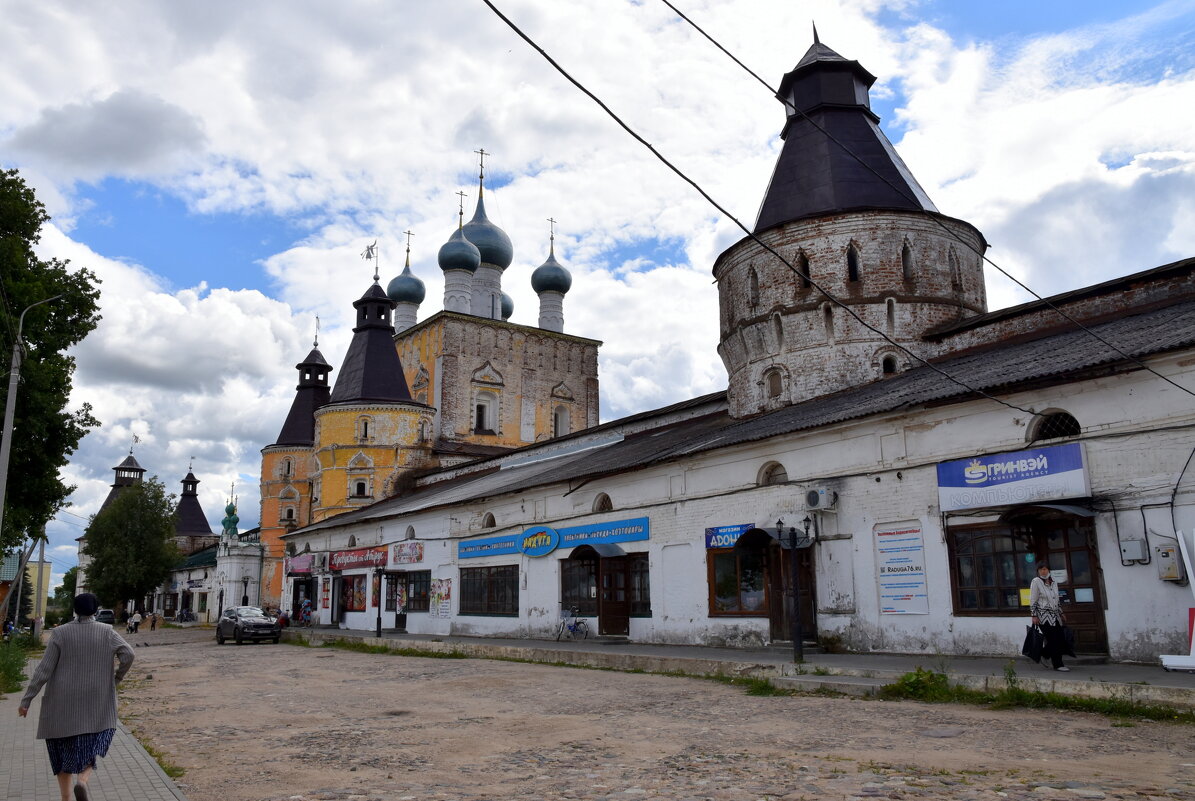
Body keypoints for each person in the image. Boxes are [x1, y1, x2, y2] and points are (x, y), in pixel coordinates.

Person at [17, 592, 135, 801]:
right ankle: (83, 780)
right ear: (96, 609)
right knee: (94, 742)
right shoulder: (107, 631)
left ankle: (65, 798)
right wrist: (116, 679)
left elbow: (43, 669)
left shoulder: (60, 633)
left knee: (61, 753)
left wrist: (27, 700)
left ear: (75, 609)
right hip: (97, 702)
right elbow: (128, 654)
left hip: (61, 703)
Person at [1030, 561, 1069, 672]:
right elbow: (1033, 600)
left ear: (1049, 570)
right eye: (1041, 569)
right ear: (1038, 571)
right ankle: (1058, 664)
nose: (1043, 571)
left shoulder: (1053, 582)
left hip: (1055, 615)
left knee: (1060, 639)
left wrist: (1061, 613)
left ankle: (1043, 653)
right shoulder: (1036, 582)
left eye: (1045, 569)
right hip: (1043, 617)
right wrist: (1034, 615)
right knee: (1053, 640)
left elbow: (1056, 599)